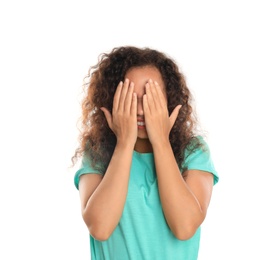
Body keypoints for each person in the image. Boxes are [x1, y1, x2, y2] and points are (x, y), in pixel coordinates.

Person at [72, 46, 219, 260]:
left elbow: (185, 227)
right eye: (131, 99)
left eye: (151, 99)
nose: (141, 110)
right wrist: (124, 143)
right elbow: (100, 228)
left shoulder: (194, 151)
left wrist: (160, 140)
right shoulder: (97, 152)